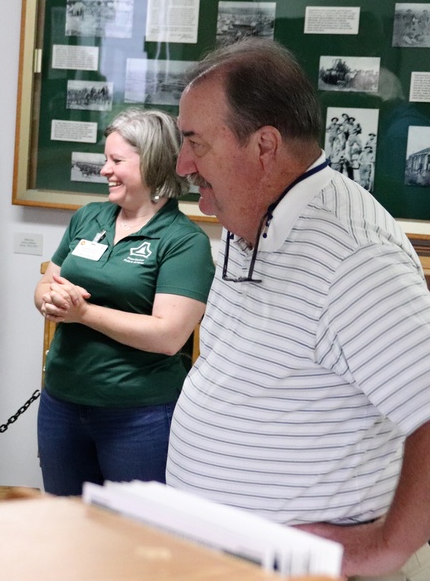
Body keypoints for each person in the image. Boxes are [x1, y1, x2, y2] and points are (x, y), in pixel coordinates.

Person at [166, 38, 430, 580]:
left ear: (264, 146)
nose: (183, 163)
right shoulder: (248, 227)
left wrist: (385, 546)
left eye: (195, 142)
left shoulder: (354, 258)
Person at [33, 108, 213, 496]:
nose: (104, 170)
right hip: (62, 404)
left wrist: (83, 313)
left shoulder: (184, 241)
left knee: (134, 541)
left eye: (116, 161)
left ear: (152, 164)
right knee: (64, 529)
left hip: (139, 416)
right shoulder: (88, 218)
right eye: (105, 160)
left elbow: (168, 336)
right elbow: (45, 285)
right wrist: (50, 299)